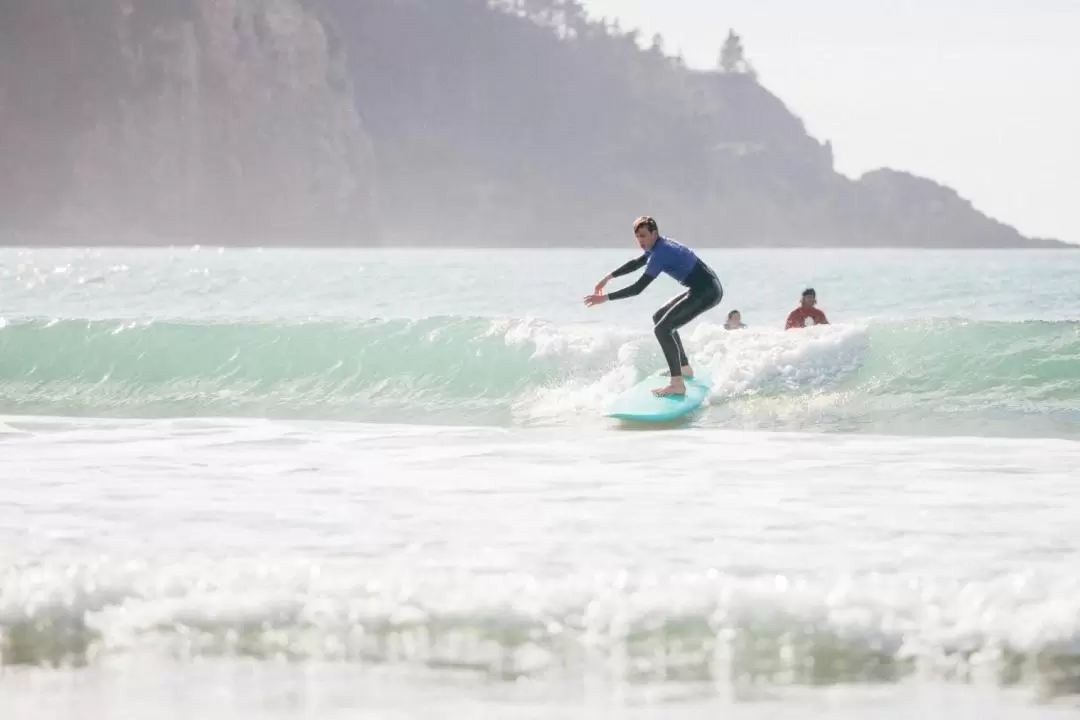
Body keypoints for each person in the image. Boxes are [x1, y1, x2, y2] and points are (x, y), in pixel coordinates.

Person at [583, 215, 723, 397]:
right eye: (637, 237)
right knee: (660, 318)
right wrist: (608, 278)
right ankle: (684, 368)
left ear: (654, 233)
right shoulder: (657, 246)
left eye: (643, 235)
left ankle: (677, 384)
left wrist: (606, 298)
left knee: (662, 329)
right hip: (702, 288)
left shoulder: (661, 252)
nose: (640, 240)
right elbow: (637, 263)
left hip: (707, 291)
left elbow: (637, 288)